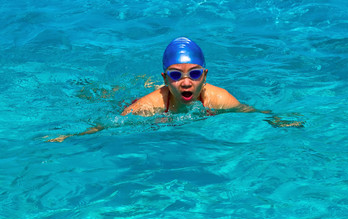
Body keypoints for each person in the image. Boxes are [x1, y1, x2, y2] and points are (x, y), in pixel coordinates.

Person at [48, 37, 302, 142]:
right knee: (111, 98)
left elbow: (251, 111)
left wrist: (277, 120)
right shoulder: (150, 105)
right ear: (166, 79)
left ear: (204, 76)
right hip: (151, 104)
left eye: (193, 74)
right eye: (175, 75)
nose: (185, 82)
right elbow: (109, 123)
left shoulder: (219, 98)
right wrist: (71, 136)